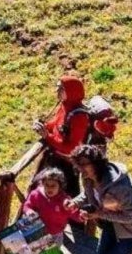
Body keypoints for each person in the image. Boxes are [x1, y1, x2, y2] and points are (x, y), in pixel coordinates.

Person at [33, 74, 93, 208]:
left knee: (68, 196)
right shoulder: (65, 106)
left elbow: (71, 148)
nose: (56, 91)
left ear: (70, 91)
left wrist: (47, 136)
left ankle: (74, 225)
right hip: (55, 158)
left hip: (66, 164)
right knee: (43, 190)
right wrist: (43, 127)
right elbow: (55, 125)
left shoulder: (79, 117)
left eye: (60, 88)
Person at [22, 167, 73, 254]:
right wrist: (28, 211)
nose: (49, 188)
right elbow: (27, 205)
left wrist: (80, 215)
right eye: (47, 185)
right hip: (38, 232)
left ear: (60, 186)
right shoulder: (36, 195)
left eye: (53, 186)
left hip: (55, 234)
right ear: (42, 184)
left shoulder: (64, 200)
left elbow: (73, 212)